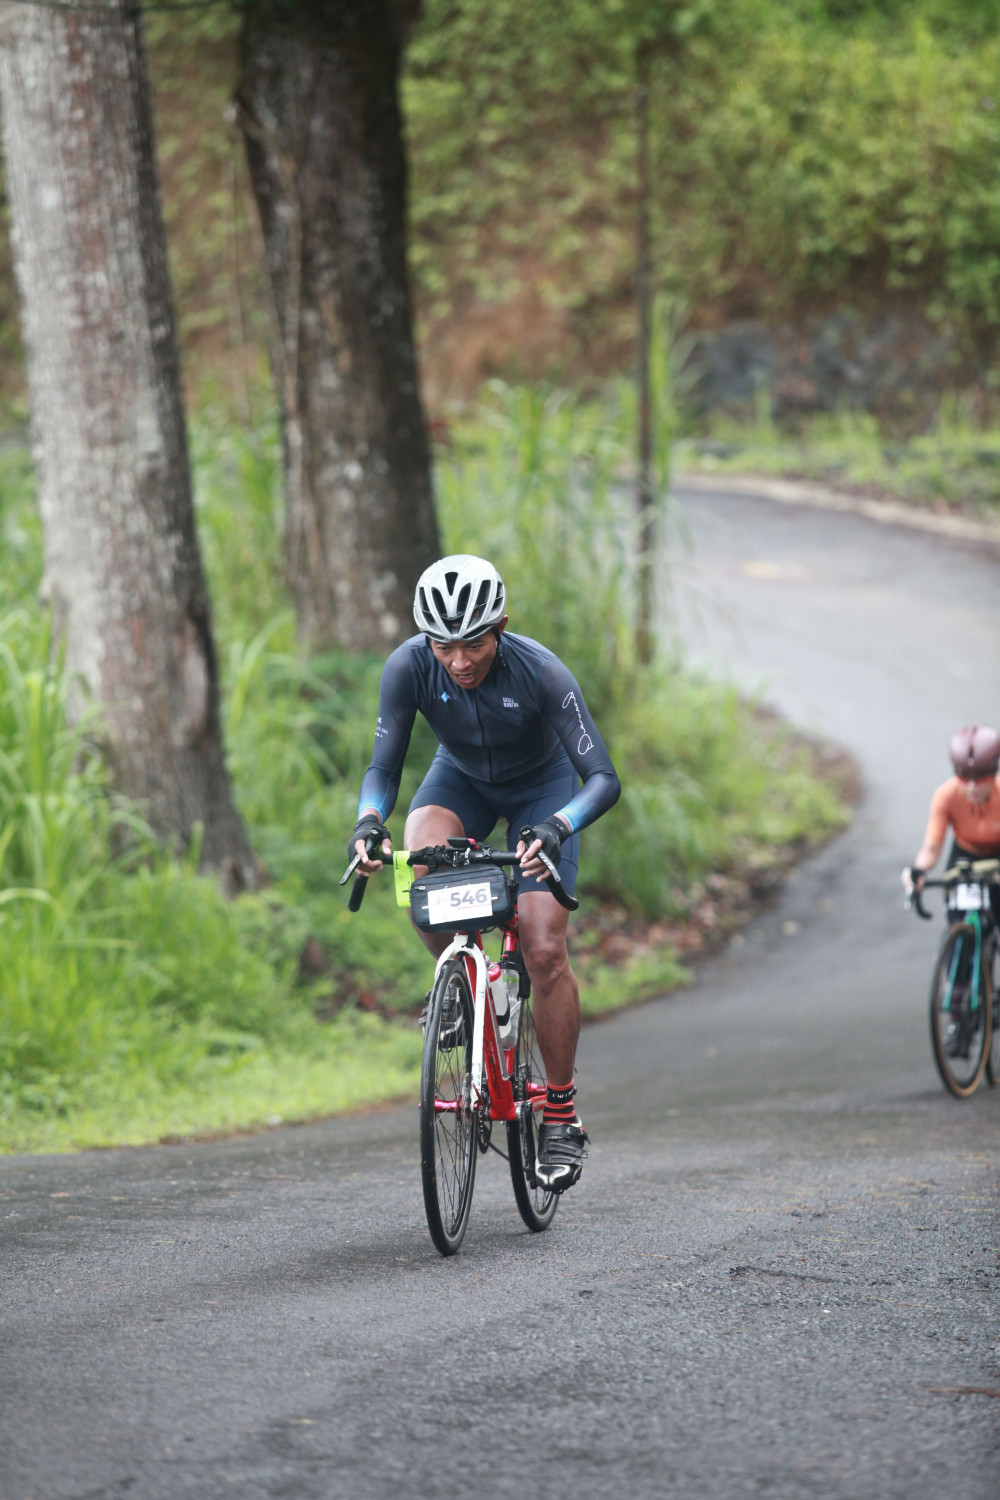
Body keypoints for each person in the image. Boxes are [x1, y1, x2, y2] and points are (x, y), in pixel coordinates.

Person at [348, 554, 621, 1193]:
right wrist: (367, 823)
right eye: (444, 646)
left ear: (499, 627)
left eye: (473, 643)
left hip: (545, 792)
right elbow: (383, 769)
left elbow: (603, 779)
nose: (459, 661)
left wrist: (557, 827)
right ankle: (465, 984)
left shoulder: (542, 672)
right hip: (462, 779)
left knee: (543, 947)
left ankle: (561, 1112)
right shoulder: (408, 666)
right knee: (420, 859)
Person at [904, 725, 1000, 908]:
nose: (972, 787)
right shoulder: (946, 795)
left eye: (981, 778)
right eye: (964, 777)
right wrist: (919, 869)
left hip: (997, 855)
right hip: (963, 856)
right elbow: (932, 847)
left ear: (994, 771)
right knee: (958, 914)